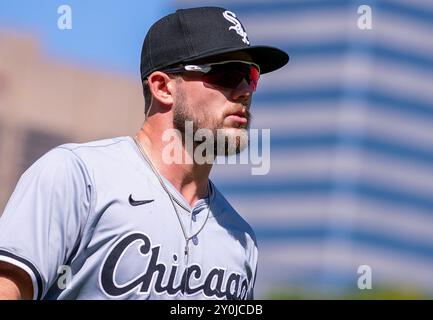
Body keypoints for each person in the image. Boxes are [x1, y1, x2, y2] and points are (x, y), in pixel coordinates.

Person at [0, 6, 288, 300]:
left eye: (250, 76)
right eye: (227, 75)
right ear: (163, 87)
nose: (244, 92)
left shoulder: (240, 238)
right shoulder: (78, 177)